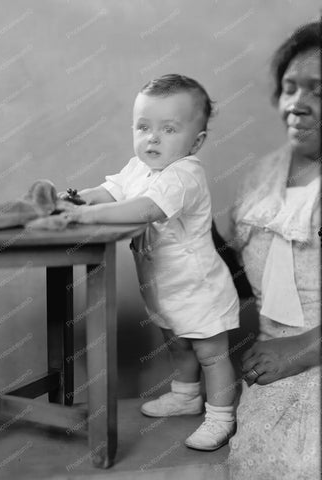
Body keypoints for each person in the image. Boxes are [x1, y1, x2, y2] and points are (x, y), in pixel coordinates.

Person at [59, 74, 240, 450]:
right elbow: (113, 191)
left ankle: (221, 416)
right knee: (176, 342)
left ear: (197, 141)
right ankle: (187, 395)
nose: (152, 138)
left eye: (168, 129)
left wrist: (87, 218)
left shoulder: (185, 175)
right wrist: (84, 199)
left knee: (210, 352)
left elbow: (145, 208)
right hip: (163, 285)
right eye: (143, 127)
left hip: (198, 286)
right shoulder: (138, 167)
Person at [227, 22, 321, 479]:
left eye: (317, 91)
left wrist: (304, 347)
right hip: (270, 348)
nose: (296, 105)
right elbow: (247, 276)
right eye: (289, 88)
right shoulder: (260, 177)